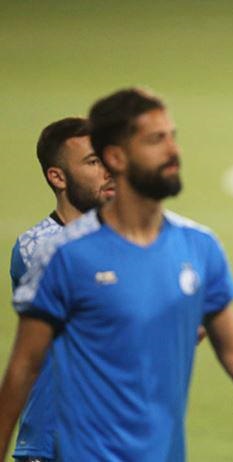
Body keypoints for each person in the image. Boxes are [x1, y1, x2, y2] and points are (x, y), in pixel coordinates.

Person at [0, 88, 233, 462]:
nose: (173, 151)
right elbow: (24, 366)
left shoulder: (199, 246)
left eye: (172, 137)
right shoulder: (63, 255)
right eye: (155, 140)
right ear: (116, 157)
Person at [8, 117, 114, 461]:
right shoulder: (39, 247)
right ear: (58, 177)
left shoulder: (128, 242)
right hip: (54, 441)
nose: (109, 171)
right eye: (94, 162)